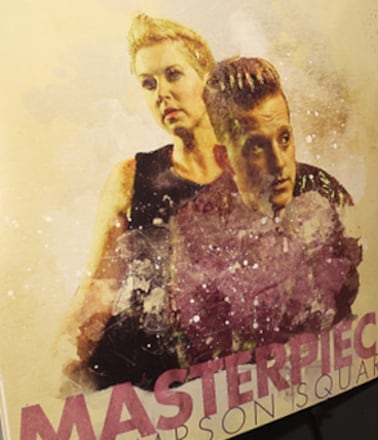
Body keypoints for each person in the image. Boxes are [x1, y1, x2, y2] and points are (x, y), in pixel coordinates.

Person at [62, 14, 221, 392]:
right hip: (147, 384)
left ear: (207, 79)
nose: (160, 92)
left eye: (173, 74)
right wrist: (56, 374)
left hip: (234, 380)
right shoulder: (131, 178)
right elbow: (97, 292)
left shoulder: (252, 170)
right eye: (148, 83)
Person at [167, 56, 361, 364]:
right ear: (224, 158)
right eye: (256, 146)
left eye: (284, 138)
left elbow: (352, 310)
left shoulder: (326, 193)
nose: (279, 163)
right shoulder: (195, 230)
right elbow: (198, 354)